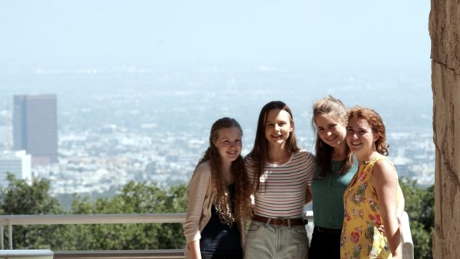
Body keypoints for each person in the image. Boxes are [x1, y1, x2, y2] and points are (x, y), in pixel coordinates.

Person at [244, 100, 317, 259]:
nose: (275, 129)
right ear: (262, 129)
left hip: (294, 234)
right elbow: (245, 197)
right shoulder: (251, 162)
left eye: (281, 123)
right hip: (259, 234)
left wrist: (292, 202)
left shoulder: (305, 160)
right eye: (269, 124)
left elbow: (315, 194)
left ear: (291, 126)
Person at [183, 117, 253, 259]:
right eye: (226, 141)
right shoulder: (205, 172)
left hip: (236, 252)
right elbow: (192, 222)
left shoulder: (242, 172)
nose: (233, 146)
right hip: (207, 252)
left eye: (237, 141)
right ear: (215, 142)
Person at [341, 106, 403, 259]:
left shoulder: (380, 166)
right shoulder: (363, 166)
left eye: (361, 131)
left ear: (376, 135)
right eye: (350, 130)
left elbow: (388, 214)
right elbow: (399, 196)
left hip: (374, 252)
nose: (354, 137)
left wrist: (397, 254)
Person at [308, 95, 357, 259]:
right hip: (319, 239)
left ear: (345, 122)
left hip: (350, 240)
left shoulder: (362, 161)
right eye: (321, 128)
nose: (327, 133)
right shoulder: (319, 162)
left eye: (332, 126)